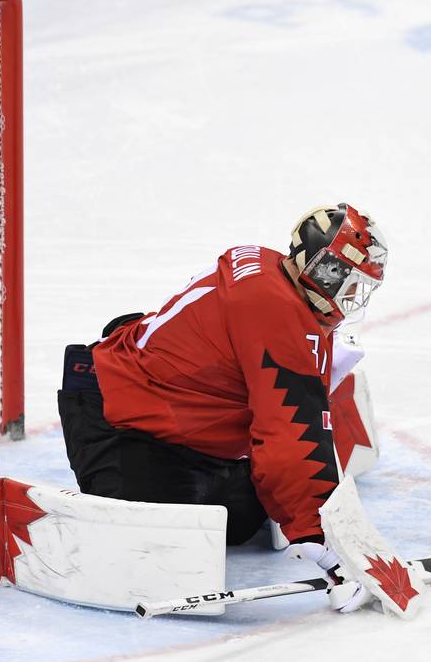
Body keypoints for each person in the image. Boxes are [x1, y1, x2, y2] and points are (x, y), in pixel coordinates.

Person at [58, 203, 387, 610]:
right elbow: (291, 434)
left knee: (240, 519)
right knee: (154, 546)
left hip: (165, 409)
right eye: (348, 281)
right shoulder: (276, 312)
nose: (352, 296)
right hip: (115, 415)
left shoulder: (271, 270)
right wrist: (323, 543)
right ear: (324, 270)